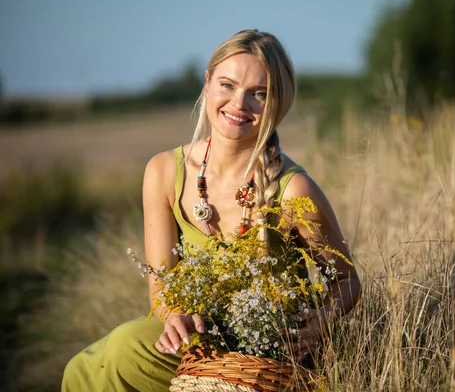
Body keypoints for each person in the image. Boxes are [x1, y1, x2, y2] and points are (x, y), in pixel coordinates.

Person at [62, 29, 361, 391]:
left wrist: (323, 320)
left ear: (277, 104)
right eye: (228, 85)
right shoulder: (162, 171)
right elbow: (161, 291)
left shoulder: (293, 190)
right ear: (207, 83)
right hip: (192, 343)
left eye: (259, 94)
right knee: (87, 367)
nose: (239, 104)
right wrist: (172, 317)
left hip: (264, 356)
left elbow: (347, 281)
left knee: (121, 349)